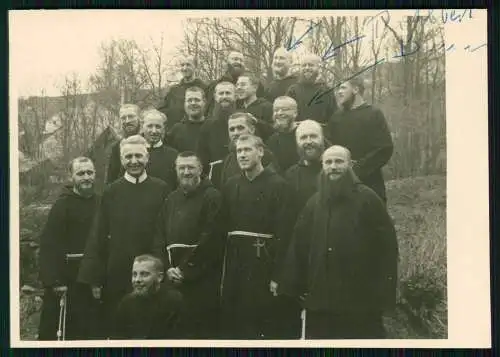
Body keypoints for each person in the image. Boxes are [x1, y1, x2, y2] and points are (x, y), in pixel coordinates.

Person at [279, 145, 399, 339]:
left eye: (339, 161)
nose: (333, 166)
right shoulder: (314, 203)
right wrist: (295, 286)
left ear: (350, 165)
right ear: (322, 166)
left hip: (359, 300)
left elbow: (387, 249)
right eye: (328, 162)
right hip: (320, 299)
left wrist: (383, 294)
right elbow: (298, 246)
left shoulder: (368, 199)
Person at [78, 135, 172, 336]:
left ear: (147, 159)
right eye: (128, 156)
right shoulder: (112, 191)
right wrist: (95, 277)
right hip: (118, 272)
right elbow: (98, 234)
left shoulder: (162, 188)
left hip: (152, 272)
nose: (134, 161)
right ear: (121, 160)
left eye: (139, 155)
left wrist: (162, 266)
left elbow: (166, 231)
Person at [217, 134, 295, 339]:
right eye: (238, 151)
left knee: (261, 319)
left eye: (247, 150)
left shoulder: (279, 185)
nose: (242, 155)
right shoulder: (231, 185)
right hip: (235, 263)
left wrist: (278, 275)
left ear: (260, 151)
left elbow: (285, 234)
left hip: (264, 263)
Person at [153, 151, 223, 339]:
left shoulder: (212, 196)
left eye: (190, 167)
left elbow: (211, 238)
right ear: (175, 170)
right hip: (172, 278)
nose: (186, 172)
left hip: (201, 277)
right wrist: (167, 269)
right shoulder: (171, 199)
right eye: (181, 168)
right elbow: (159, 237)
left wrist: (185, 270)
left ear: (201, 170)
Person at [38, 157, 101, 340]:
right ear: (71, 177)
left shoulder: (102, 203)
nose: (86, 177)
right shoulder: (62, 206)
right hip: (67, 279)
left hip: (92, 279)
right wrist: (54, 280)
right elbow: (50, 244)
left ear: (95, 175)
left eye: (90, 172)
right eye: (81, 173)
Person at [328, 77, 393, 202]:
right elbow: (330, 145)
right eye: (338, 89)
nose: (338, 92)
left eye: (343, 88)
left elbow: (384, 148)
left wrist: (357, 169)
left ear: (356, 89)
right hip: (341, 181)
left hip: (370, 181)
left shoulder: (373, 114)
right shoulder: (336, 117)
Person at [111, 255, 183, 339]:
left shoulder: (174, 300)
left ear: (159, 277)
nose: (137, 280)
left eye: (144, 274)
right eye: (134, 274)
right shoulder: (126, 302)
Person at [220, 112, 280, 186]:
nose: (235, 133)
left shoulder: (264, 156)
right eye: (232, 129)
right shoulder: (229, 158)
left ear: (252, 129)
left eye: (240, 128)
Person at [197, 81, 237, 185]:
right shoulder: (207, 126)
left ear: (235, 96)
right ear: (215, 96)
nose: (224, 96)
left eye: (228, 93)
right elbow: (202, 157)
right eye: (221, 93)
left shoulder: (243, 120)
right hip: (215, 179)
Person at [205, 51, 265, 117]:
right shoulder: (215, 84)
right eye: (235, 59)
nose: (238, 62)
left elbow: (260, 103)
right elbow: (208, 108)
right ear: (227, 63)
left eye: (241, 60)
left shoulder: (254, 84)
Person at [285, 120, 326, 216]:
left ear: (323, 138)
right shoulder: (291, 175)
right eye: (303, 138)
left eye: (313, 136)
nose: (308, 141)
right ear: (296, 142)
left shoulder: (336, 168)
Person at [158, 56, 207, 132]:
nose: (184, 68)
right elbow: (162, 109)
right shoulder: (174, 90)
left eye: (188, 65)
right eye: (182, 65)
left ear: (196, 68)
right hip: (175, 133)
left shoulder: (205, 88)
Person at [286, 53, 338, 124]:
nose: (307, 68)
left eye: (311, 65)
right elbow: (288, 115)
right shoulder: (293, 90)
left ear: (318, 68)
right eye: (304, 65)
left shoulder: (326, 90)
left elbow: (333, 116)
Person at [141, 109, 179, 189]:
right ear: (142, 127)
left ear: (163, 129)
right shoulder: (134, 153)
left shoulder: (173, 155)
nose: (154, 131)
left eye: (158, 126)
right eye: (150, 126)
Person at [106, 104, 141, 184]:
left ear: (139, 118)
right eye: (123, 118)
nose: (127, 121)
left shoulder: (148, 142)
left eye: (131, 116)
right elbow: (111, 179)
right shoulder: (116, 148)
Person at [235, 72, 274, 141]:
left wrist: (256, 121)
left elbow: (274, 131)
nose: (238, 88)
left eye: (243, 85)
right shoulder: (237, 110)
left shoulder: (267, 107)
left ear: (255, 88)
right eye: (237, 85)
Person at [265, 96, 300, 172]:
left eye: (284, 109)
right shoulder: (272, 140)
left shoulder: (305, 135)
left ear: (295, 113)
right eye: (276, 110)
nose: (279, 113)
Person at [167, 86, 207, 152]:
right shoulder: (176, 130)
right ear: (184, 104)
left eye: (197, 100)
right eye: (189, 100)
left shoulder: (212, 127)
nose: (193, 103)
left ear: (204, 102)